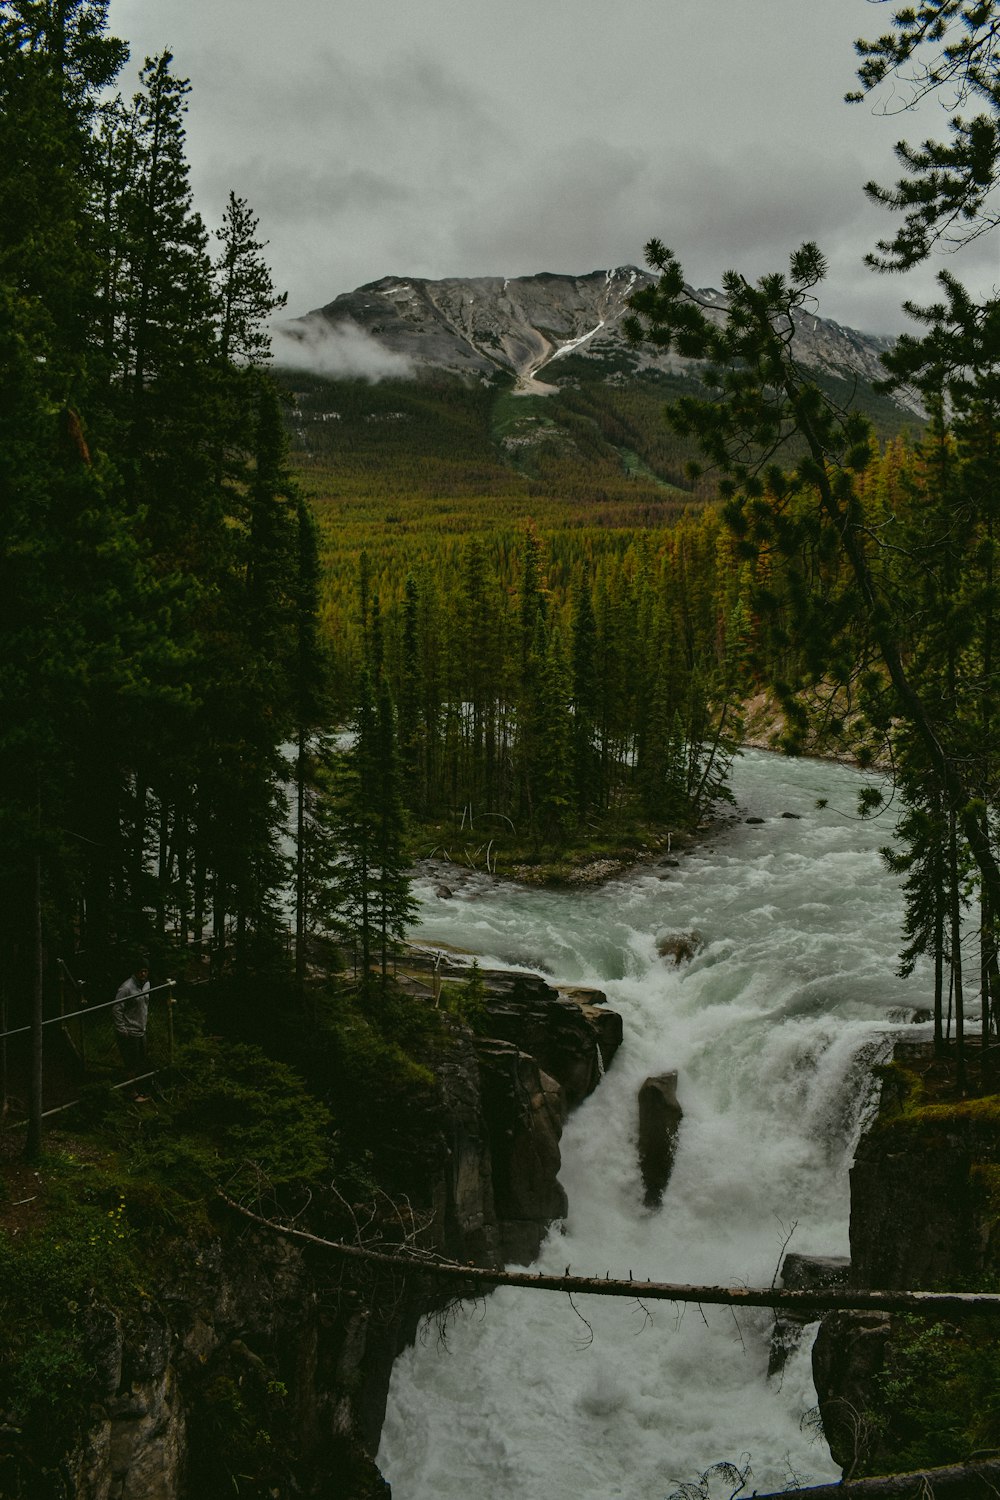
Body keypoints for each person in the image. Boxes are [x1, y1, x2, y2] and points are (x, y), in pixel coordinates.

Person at [112, 958, 150, 1098]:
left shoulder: (146, 985)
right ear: (135, 972)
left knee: (142, 1060)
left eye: (145, 971)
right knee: (131, 1063)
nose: (143, 974)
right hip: (130, 1032)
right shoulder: (126, 988)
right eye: (141, 971)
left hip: (142, 1030)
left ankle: (141, 1088)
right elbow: (117, 1009)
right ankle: (131, 1092)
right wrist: (122, 1029)